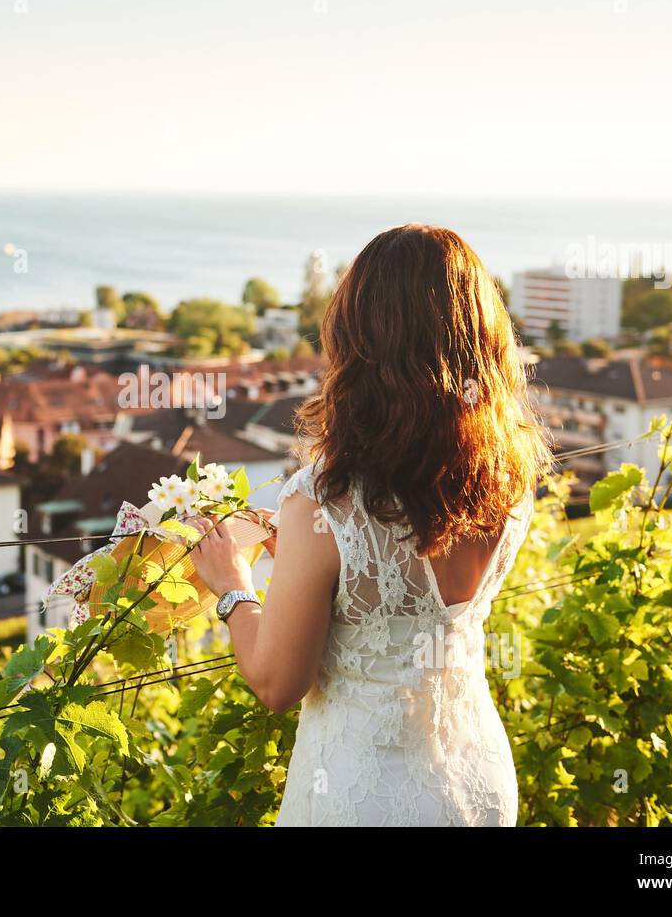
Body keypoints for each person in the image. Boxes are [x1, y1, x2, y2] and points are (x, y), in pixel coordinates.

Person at [186, 224, 551, 827]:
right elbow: (405, 582)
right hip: (475, 779)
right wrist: (302, 551)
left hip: (363, 796)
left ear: (360, 342)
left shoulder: (322, 500)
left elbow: (278, 683)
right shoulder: (507, 474)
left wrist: (232, 587)